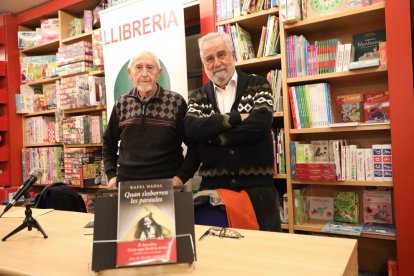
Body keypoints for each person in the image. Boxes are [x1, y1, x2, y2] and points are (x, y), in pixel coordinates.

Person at [184, 32, 281, 232]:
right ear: (203, 63)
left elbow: (260, 124)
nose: (217, 62)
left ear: (233, 55)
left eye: (221, 54)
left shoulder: (258, 84)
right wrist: (236, 118)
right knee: (218, 255)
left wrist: (212, 137)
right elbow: (191, 129)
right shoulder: (198, 97)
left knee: (266, 255)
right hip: (214, 193)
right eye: (209, 59)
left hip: (258, 193)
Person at [103, 51, 198, 188]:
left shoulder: (175, 102)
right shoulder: (121, 103)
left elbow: (194, 144)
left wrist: (181, 176)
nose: (144, 74)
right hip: (127, 187)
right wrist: (111, 175)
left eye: (150, 67)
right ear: (130, 74)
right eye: (139, 67)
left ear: (158, 73)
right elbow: (108, 143)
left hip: (167, 187)